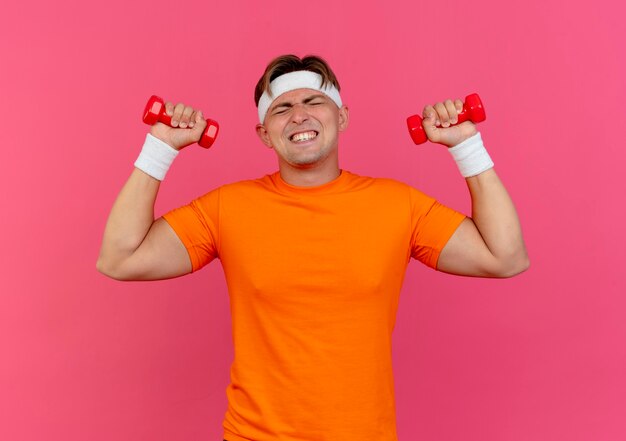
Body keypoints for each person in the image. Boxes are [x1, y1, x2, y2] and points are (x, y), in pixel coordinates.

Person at [97, 54, 529, 441]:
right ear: (265, 134)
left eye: (314, 102)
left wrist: (467, 145)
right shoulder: (227, 207)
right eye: (282, 108)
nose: (299, 116)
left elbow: (504, 257)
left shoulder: (399, 204)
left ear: (341, 117)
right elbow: (120, 258)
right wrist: (159, 148)